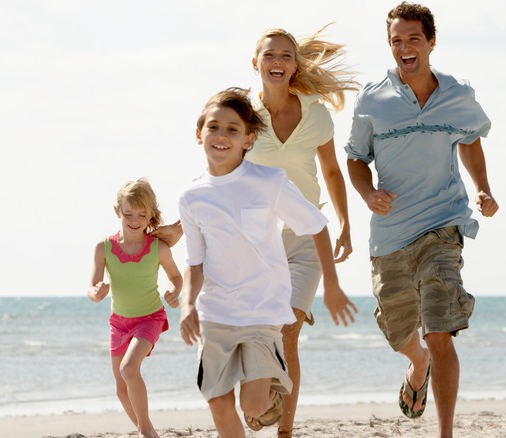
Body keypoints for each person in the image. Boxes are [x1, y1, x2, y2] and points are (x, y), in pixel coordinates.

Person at [345, 3, 499, 437]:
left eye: (413, 39)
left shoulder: (458, 95)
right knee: (400, 333)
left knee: (440, 330)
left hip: (442, 224)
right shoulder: (372, 99)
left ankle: (444, 431)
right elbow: (356, 158)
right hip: (390, 234)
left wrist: (483, 187)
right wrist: (368, 192)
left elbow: (469, 141)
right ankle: (417, 363)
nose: (404, 47)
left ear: (431, 42)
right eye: (396, 40)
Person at [177, 87, 357, 438]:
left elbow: (317, 227)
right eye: (214, 127)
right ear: (199, 134)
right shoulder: (191, 196)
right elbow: (194, 262)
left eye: (233, 129)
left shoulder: (269, 182)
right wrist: (187, 305)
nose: (222, 136)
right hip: (216, 313)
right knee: (217, 400)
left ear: (249, 139)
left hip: (261, 313)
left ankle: (269, 393)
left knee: (253, 407)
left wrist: (332, 285)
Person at [245, 25, 359, 438]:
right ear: (254, 63)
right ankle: (261, 393)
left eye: (286, 56)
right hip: (256, 241)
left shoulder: (315, 114)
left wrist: (345, 222)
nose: (277, 62)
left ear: (295, 66)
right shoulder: (243, 115)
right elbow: (220, 175)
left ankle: (285, 431)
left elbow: (330, 170)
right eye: (270, 55)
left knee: (289, 330)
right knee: (261, 330)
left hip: (307, 236)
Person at [87, 178, 183, 438]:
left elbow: (176, 277)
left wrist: (175, 292)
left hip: (149, 318)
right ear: (117, 212)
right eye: (128, 213)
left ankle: (146, 432)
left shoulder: (158, 248)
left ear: (151, 214)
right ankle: (147, 430)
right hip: (118, 322)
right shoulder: (104, 248)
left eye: (142, 214)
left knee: (129, 369)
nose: (135, 219)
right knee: (121, 388)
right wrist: (97, 292)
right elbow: (92, 287)